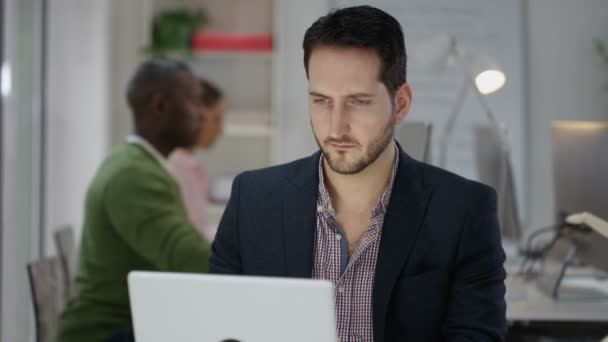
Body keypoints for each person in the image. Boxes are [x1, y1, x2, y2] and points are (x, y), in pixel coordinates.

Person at [210, 5, 506, 341]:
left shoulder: (464, 211)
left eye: (359, 101)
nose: (336, 127)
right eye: (322, 101)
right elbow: (220, 329)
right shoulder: (253, 200)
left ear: (402, 103)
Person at [57, 59, 211, 342]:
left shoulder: (138, 165)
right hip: (104, 334)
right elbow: (187, 258)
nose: (202, 114)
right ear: (160, 106)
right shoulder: (133, 174)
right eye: (194, 100)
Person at [169, 79, 225, 241]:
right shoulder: (178, 165)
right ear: (195, 115)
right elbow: (196, 235)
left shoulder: (185, 163)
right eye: (216, 119)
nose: (221, 129)